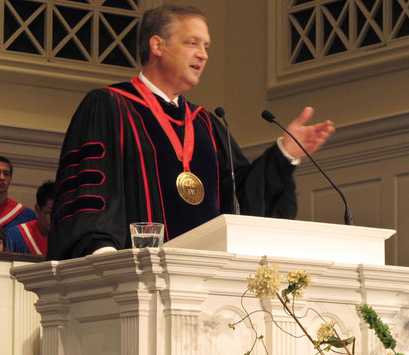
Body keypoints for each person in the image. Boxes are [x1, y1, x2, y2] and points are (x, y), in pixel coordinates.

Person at [48, 5, 334, 260]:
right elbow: (89, 188)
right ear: (157, 45)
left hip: (207, 279)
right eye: (192, 43)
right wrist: (102, 253)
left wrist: (284, 155)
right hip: (130, 278)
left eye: (207, 46)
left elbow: (240, 197)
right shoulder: (110, 105)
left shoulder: (205, 124)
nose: (203, 54)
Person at [6, 180, 53, 255]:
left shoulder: (66, 238)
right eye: (50, 213)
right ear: (37, 209)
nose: (55, 218)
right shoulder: (17, 235)